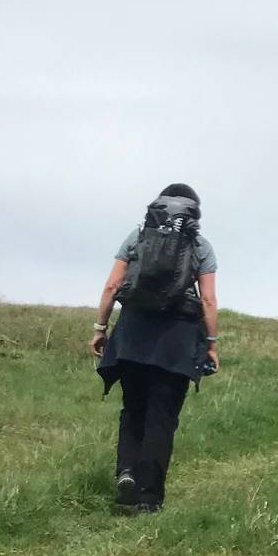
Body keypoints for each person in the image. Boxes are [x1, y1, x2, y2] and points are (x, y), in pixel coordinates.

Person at [90, 183, 220, 513]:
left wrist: (100, 329)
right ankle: (149, 498)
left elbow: (112, 285)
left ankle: (127, 472)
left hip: (133, 335)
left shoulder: (137, 237)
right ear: (193, 212)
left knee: (133, 408)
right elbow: (207, 299)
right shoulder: (200, 245)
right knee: (162, 418)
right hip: (176, 342)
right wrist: (211, 344)